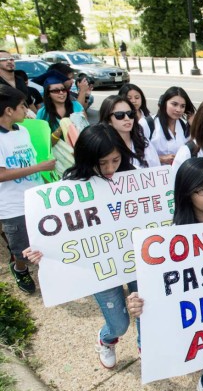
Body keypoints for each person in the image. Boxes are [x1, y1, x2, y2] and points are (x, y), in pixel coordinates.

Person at [24, 124, 139, 369]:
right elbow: (61, 233)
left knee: (146, 310)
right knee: (119, 323)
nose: (110, 169)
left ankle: (146, 345)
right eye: (102, 162)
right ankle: (106, 339)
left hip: (136, 258)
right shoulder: (70, 187)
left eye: (115, 160)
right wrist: (41, 250)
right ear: (87, 159)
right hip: (100, 265)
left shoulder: (135, 179)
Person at [127, 157, 203, 391]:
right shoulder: (172, 242)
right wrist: (140, 303)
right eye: (202, 189)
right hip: (199, 328)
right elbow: (159, 288)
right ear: (186, 194)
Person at [0, 85, 55, 294]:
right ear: (9, 110)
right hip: (12, 206)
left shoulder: (22, 130)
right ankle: (19, 268)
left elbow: (29, 158)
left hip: (36, 200)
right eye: (23, 106)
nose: (26, 110)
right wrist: (39, 167)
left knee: (44, 242)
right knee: (21, 249)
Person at [98, 95, 160, 168]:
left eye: (130, 114)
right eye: (120, 115)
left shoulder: (143, 143)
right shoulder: (100, 145)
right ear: (108, 119)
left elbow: (156, 170)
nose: (127, 118)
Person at [150, 86, 195, 165]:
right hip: (154, 175)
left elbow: (192, 150)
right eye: (174, 104)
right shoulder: (149, 124)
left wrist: (194, 125)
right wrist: (160, 159)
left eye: (182, 106)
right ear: (164, 103)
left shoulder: (184, 126)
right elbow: (136, 154)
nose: (178, 110)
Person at [36, 77, 85, 146]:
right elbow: (43, 141)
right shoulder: (42, 113)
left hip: (80, 148)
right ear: (48, 94)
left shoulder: (76, 106)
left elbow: (86, 129)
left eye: (63, 89)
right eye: (56, 91)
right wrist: (62, 128)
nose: (61, 93)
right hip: (58, 152)